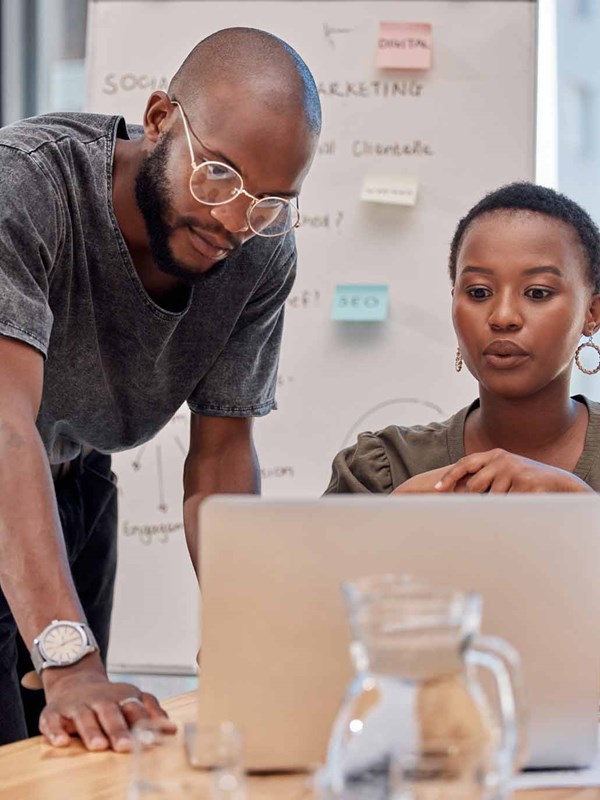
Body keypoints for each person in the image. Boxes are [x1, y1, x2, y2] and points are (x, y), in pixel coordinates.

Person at [0, 27, 320, 749]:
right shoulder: (24, 186)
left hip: (77, 484)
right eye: (219, 177)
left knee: (74, 752)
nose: (234, 221)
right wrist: (69, 659)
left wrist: (240, 634)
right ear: (158, 121)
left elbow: (219, 458)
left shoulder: (261, 250)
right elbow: (5, 428)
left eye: (269, 200)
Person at [326, 182, 600, 496]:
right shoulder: (385, 468)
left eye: (537, 293)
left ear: (592, 313)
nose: (503, 317)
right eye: (479, 292)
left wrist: (584, 507)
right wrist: (391, 516)